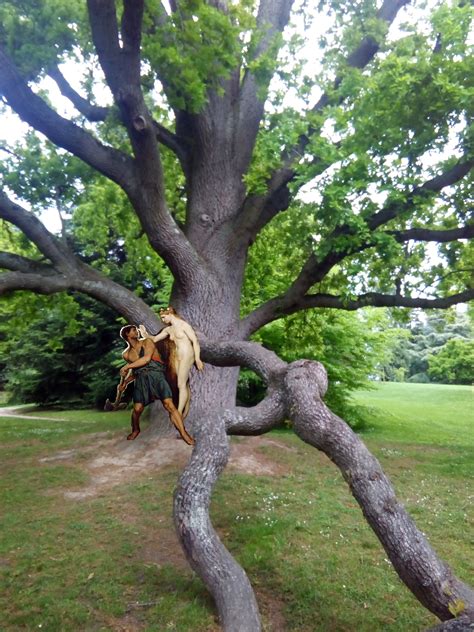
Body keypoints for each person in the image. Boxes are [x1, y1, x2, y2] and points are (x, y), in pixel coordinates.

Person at [118, 324, 194, 444]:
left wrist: (127, 366)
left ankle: (184, 433)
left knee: (169, 405)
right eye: (133, 330)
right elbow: (136, 371)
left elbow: (146, 359)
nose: (136, 331)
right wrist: (125, 382)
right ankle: (136, 429)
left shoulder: (147, 342)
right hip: (141, 380)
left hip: (157, 376)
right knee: (137, 409)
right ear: (127, 334)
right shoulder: (126, 354)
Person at [138, 307, 203, 419]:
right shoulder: (169, 330)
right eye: (161, 318)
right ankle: (183, 412)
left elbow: (195, 341)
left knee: (180, 384)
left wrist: (197, 359)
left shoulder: (184, 325)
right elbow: (154, 339)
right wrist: (145, 334)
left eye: (164, 317)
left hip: (187, 354)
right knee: (182, 384)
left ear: (170, 314)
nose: (163, 320)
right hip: (178, 355)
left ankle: (178, 412)